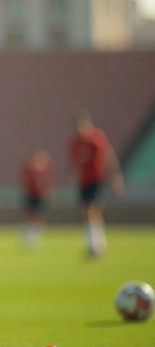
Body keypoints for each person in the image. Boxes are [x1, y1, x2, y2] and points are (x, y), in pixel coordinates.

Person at [67, 110, 124, 258]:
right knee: (84, 212)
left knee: (92, 210)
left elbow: (108, 157)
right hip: (83, 180)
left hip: (96, 179)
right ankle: (93, 244)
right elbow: (73, 161)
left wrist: (115, 177)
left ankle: (96, 246)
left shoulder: (95, 138)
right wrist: (68, 175)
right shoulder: (76, 142)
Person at [20, 147, 51, 249]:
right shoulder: (28, 168)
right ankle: (27, 235)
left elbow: (47, 181)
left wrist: (46, 191)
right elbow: (24, 180)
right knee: (29, 214)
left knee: (38, 215)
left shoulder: (43, 168)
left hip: (40, 194)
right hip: (31, 194)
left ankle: (36, 236)